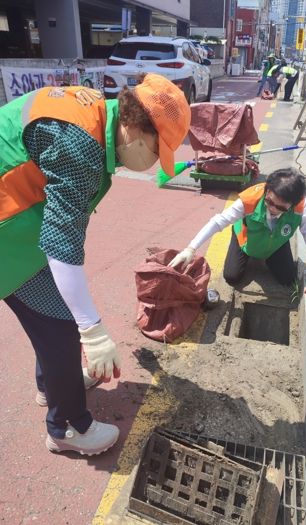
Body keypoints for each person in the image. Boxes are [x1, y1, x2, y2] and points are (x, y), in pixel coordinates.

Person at [0, 73, 190, 455]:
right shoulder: (80, 147)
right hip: (8, 232)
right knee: (61, 322)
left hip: (18, 217)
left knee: (55, 314)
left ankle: (51, 385)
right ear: (135, 129)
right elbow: (61, 245)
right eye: (157, 151)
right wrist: (93, 330)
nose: (154, 163)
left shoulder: (94, 112)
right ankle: (67, 427)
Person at [169, 168, 306, 303]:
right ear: (267, 190)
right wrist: (190, 249)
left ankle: (268, 256)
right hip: (246, 239)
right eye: (269, 201)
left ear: (292, 204)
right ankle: (248, 252)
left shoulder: (301, 206)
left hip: (276, 242)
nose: (272, 208)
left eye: (280, 208)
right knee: (231, 277)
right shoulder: (250, 199)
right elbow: (218, 221)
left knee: (288, 279)